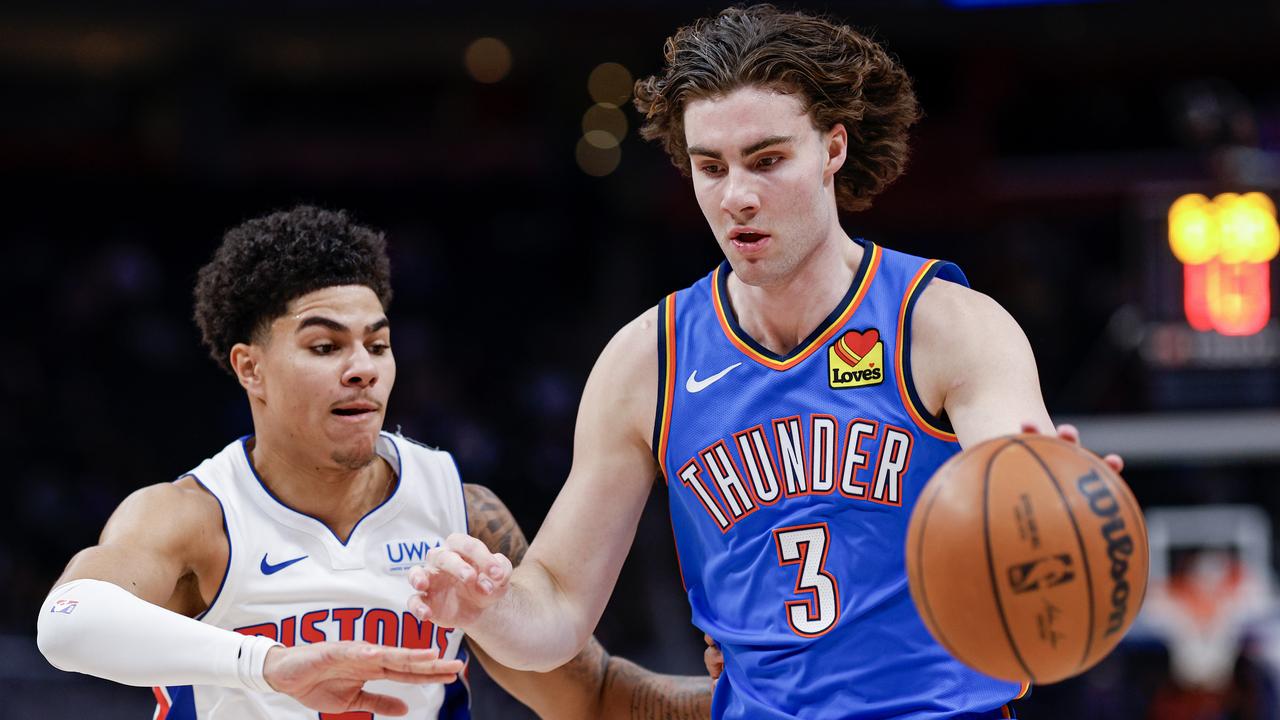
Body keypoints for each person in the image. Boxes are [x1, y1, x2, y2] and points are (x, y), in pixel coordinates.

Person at [406, 5, 1125, 720]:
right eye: (709, 167)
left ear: (833, 149)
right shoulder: (646, 363)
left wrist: (1054, 499)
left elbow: (1014, 472)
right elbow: (558, 611)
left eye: (768, 160)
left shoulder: (944, 325)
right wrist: (490, 607)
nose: (737, 197)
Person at [36, 206, 713, 719]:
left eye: (377, 344)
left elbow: (590, 695)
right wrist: (269, 665)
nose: (363, 369)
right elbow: (67, 622)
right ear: (251, 368)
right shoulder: (194, 517)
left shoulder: (460, 513)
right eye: (325, 347)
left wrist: (766, 697)